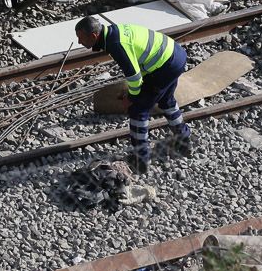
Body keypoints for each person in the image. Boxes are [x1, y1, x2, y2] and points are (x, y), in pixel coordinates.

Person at [76, 14, 193, 174]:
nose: (79, 42)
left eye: (81, 38)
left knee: (138, 111)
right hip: (175, 55)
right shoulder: (114, 31)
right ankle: (184, 142)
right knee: (167, 101)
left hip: (165, 65)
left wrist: (131, 98)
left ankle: (140, 161)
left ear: (94, 36)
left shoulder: (115, 44)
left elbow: (134, 77)